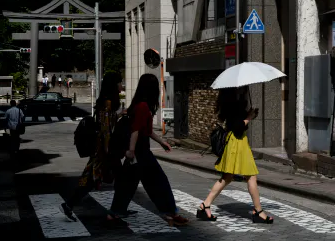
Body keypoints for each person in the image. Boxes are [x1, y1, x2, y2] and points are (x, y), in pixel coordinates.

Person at [106, 73, 189, 227]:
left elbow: (148, 131)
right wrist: (131, 151)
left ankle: (114, 213)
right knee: (159, 182)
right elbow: (135, 130)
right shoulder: (143, 106)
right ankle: (171, 212)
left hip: (139, 151)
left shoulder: (138, 105)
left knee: (128, 184)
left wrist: (162, 142)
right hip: (141, 152)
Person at [59, 72, 130, 221]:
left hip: (103, 150)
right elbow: (105, 129)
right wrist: (108, 151)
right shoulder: (108, 102)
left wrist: (119, 115)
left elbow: (107, 122)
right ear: (114, 85)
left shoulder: (107, 102)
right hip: (105, 150)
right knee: (115, 179)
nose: (121, 86)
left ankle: (70, 205)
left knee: (92, 180)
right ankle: (118, 209)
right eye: (119, 83)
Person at [197, 86, 273, 224]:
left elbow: (237, 125)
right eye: (242, 87)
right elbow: (237, 126)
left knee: (228, 177)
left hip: (235, 142)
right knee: (250, 176)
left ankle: (205, 205)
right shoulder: (233, 104)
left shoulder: (231, 102)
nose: (244, 88)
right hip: (237, 143)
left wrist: (248, 116)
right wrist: (249, 117)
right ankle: (258, 211)